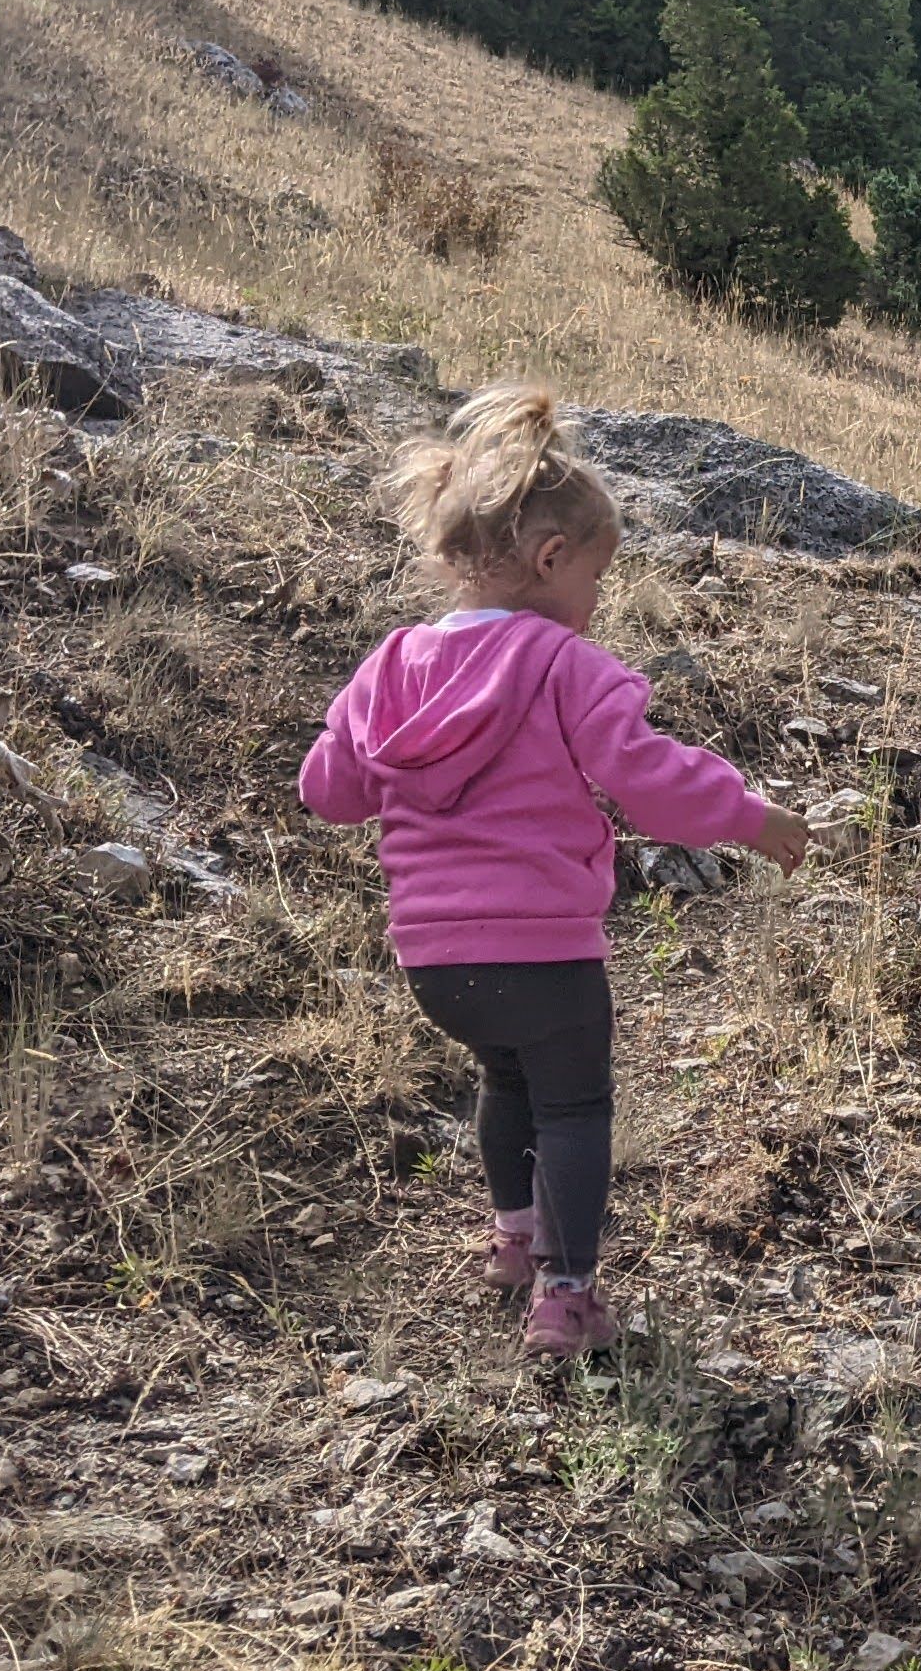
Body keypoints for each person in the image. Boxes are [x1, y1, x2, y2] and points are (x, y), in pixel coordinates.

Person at [299, 384, 809, 1355]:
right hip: (543, 947)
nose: (597, 603)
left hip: (435, 964)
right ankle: (567, 1299)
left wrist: (357, 742)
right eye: (599, 580)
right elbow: (648, 782)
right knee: (575, 1107)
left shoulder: (393, 665)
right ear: (550, 559)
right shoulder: (565, 667)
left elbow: (328, 789)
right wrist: (749, 817)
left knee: (506, 1082)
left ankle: (513, 1240)